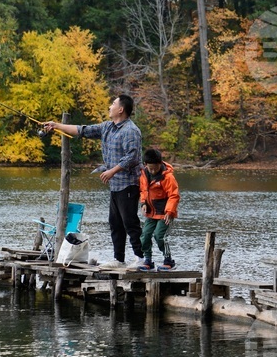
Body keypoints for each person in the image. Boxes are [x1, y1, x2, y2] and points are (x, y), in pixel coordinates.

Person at [43, 95, 144, 268]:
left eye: (113, 103)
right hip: (115, 185)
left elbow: (133, 156)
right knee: (115, 223)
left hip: (128, 183)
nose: (110, 106)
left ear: (121, 109)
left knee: (130, 222)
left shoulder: (130, 130)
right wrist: (56, 125)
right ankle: (119, 260)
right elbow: (82, 130)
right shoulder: (107, 127)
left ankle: (141, 258)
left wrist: (112, 170)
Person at [136, 148, 180, 271]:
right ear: (145, 165)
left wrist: (170, 212)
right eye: (150, 168)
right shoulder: (144, 175)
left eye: (155, 168)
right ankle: (148, 260)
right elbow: (143, 191)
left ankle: (168, 260)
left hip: (165, 214)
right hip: (150, 212)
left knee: (159, 236)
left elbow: (174, 195)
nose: (153, 171)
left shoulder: (168, 177)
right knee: (145, 236)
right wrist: (143, 203)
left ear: (160, 164)